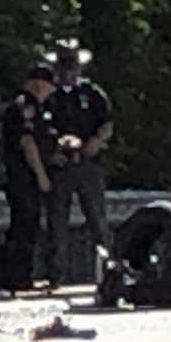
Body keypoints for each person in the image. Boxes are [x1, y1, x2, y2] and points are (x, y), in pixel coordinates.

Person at [46, 42, 115, 292]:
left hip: (88, 163)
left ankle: (108, 271)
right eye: (63, 65)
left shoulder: (92, 93)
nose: (68, 71)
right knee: (57, 222)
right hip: (60, 165)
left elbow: (107, 124)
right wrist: (54, 150)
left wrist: (96, 142)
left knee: (97, 219)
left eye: (72, 66)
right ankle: (56, 275)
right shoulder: (49, 96)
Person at [0, 61, 58, 289]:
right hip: (22, 175)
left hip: (26, 175)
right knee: (24, 224)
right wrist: (41, 174)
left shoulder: (40, 108)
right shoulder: (25, 107)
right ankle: (15, 277)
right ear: (39, 85)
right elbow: (27, 142)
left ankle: (16, 275)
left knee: (26, 224)